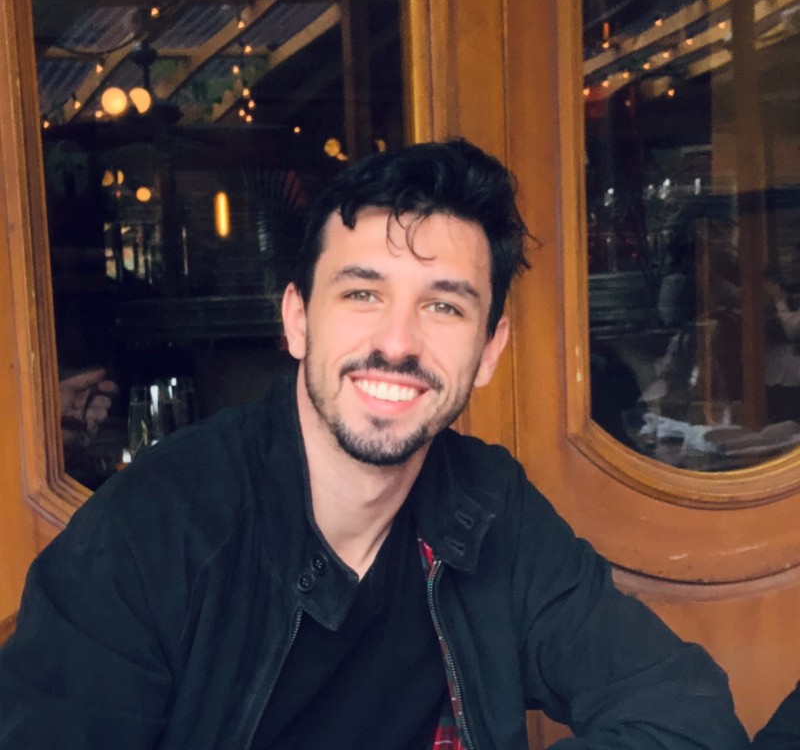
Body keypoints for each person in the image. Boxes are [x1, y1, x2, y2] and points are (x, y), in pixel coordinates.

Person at [0, 140, 749, 749]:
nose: (397, 343)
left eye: (444, 307)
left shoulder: (487, 506)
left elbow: (684, 714)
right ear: (297, 321)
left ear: (489, 351)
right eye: (362, 294)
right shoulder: (151, 532)